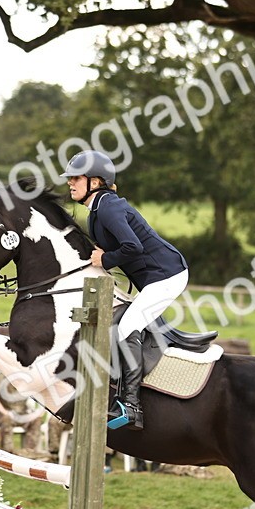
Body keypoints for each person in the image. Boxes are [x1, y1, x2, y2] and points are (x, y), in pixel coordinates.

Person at [62, 149, 189, 431]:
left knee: (126, 328)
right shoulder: (97, 209)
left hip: (167, 275)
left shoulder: (107, 207)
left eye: (76, 178)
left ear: (95, 182)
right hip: (151, 277)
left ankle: (132, 406)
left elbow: (133, 247)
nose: (70, 183)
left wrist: (104, 259)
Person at [0, 373, 44, 456]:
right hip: (4, 412)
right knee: (7, 419)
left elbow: (41, 394)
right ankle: (7, 453)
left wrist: (39, 412)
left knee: (36, 419)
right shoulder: (2, 376)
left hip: (22, 412)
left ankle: (29, 452)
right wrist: (4, 412)